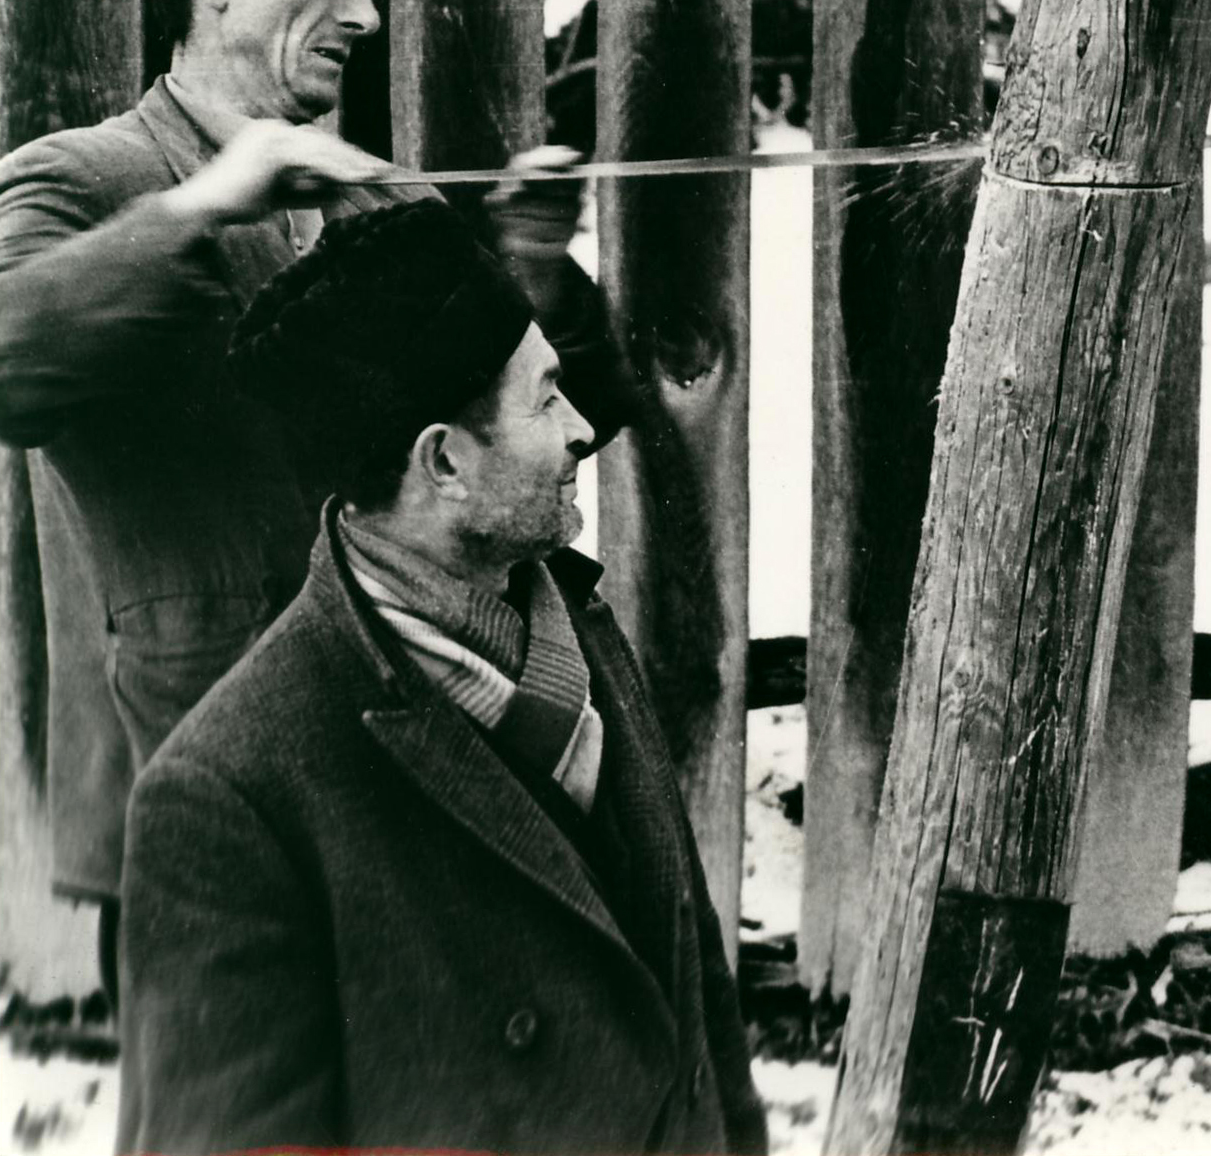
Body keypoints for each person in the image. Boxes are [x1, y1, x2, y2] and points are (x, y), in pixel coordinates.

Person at [0, 0, 635, 990]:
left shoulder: (385, 200)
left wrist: (538, 269)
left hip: (421, 786)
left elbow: (553, 428)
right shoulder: (84, 180)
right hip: (201, 798)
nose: (365, 15)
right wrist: (203, 206)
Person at [114, 200, 765, 1154]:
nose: (582, 427)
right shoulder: (226, 798)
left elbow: (693, 991)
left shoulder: (574, 620)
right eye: (546, 398)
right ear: (445, 463)